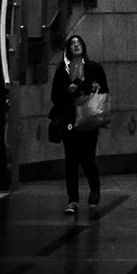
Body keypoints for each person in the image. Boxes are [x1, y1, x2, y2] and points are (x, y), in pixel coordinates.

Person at [50, 34, 109, 215]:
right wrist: (68, 92)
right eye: (72, 44)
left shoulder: (94, 68)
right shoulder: (63, 70)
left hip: (89, 117)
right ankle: (73, 199)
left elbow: (104, 91)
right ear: (68, 49)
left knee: (87, 156)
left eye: (78, 43)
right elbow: (55, 96)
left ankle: (94, 187)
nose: (76, 45)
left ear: (83, 46)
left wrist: (93, 90)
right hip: (70, 118)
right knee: (71, 159)